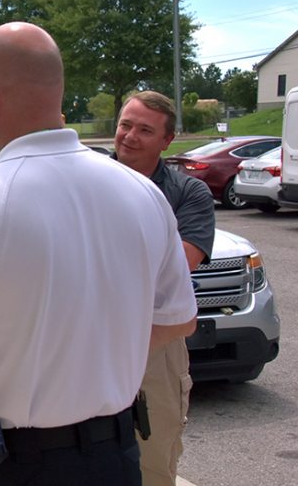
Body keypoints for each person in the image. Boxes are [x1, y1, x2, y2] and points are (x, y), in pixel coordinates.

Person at [0, 22, 198, 486]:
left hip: (13, 466)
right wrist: (93, 347)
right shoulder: (142, 193)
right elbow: (178, 319)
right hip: (116, 460)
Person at [114, 90, 215, 486]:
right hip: (86, 336)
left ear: (166, 140)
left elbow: (179, 265)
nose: (129, 136)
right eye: (125, 125)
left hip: (156, 340)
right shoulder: (85, 182)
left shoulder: (189, 194)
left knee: (153, 461)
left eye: (144, 130)